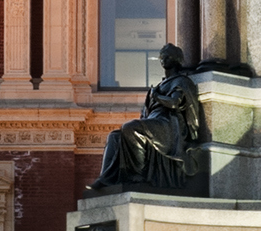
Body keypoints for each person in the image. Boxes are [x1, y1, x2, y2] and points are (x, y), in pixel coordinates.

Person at [86, 44, 206, 191]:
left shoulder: (181, 81)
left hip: (168, 124)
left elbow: (174, 103)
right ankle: (106, 178)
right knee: (114, 136)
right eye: (162, 56)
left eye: (168, 56)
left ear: (178, 59)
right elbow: (145, 113)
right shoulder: (160, 84)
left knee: (131, 128)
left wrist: (156, 96)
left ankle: (137, 175)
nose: (163, 59)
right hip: (153, 122)